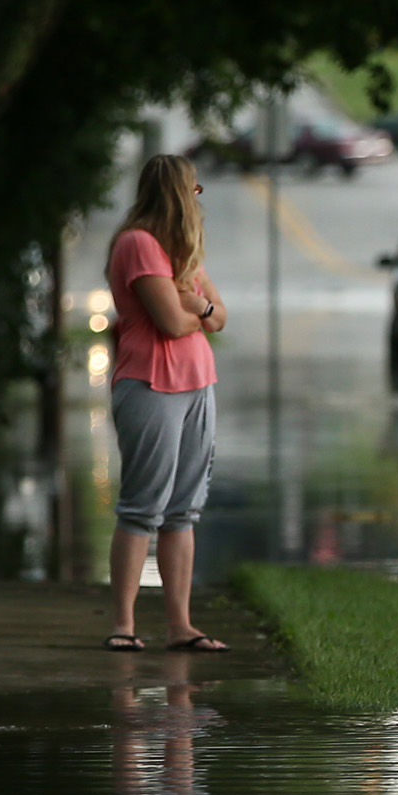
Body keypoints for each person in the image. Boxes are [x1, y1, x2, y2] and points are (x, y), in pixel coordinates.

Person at [104, 154, 230, 652]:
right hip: (151, 383)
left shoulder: (183, 254)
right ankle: (123, 626)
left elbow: (217, 317)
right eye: (195, 190)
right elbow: (170, 323)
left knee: (184, 511)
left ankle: (181, 626)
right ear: (179, 193)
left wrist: (194, 302)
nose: (199, 200)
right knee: (142, 508)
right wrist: (196, 308)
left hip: (198, 383)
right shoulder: (138, 245)